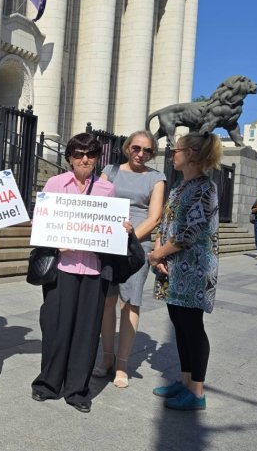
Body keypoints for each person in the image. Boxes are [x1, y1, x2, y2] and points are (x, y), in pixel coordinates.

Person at [31, 132, 133, 413]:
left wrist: (123, 230)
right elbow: (42, 223)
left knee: (87, 331)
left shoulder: (106, 190)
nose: (84, 159)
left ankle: (77, 390)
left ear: (97, 158)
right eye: (78, 154)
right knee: (55, 326)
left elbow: (111, 227)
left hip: (93, 269)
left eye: (90, 154)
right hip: (61, 268)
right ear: (69, 158)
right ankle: (48, 384)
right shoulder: (54, 184)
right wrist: (54, 241)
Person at [148, 131, 221, 411]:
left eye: (175, 149)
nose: (171, 154)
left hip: (194, 271)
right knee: (179, 325)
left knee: (193, 328)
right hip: (173, 268)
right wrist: (158, 246)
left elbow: (189, 233)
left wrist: (157, 254)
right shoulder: (180, 187)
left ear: (190, 153)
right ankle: (185, 380)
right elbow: (168, 225)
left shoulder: (205, 188)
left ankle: (197, 392)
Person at [94, 130, 166, 388]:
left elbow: (155, 216)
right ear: (127, 148)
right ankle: (106, 358)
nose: (141, 154)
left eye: (147, 150)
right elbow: (96, 202)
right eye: (136, 148)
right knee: (106, 302)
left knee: (130, 303)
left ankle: (122, 363)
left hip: (136, 247)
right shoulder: (110, 171)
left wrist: (131, 236)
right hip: (108, 242)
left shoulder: (156, 178)